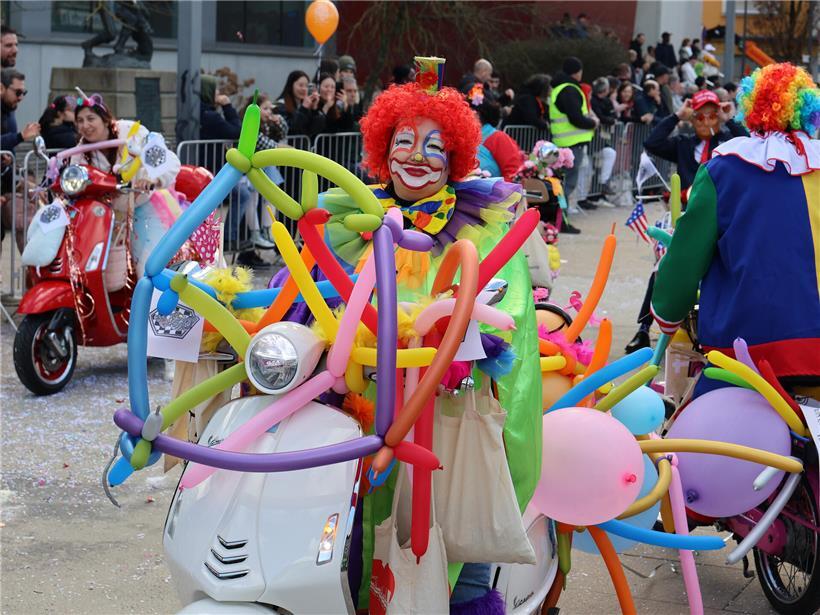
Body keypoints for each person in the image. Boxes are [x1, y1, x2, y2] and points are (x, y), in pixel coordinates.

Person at [310, 57, 541, 611]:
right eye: (404, 141)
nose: (415, 157)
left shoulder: (481, 228)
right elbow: (315, 296)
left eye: (433, 145)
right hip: (360, 420)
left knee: (448, 547)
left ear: (457, 156)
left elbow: (501, 312)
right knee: (354, 545)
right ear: (381, 150)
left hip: (447, 420)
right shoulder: (355, 222)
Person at [652, 63, 820, 393]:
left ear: (751, 108)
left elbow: (685, 260)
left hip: (746, 356)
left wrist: (667, 315)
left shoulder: (725, 168)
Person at [624, 88, 748, 353]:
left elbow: (749, 143)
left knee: (721, 270)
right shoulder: (683, 144)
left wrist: (731, 119)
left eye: (712, 116)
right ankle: (644, 328)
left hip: (719, 218)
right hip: (685, 218)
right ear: (692, 120)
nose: (706, 122)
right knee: (664, 267)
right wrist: (676, 116)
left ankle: (717, 332)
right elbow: (653, 143)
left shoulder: (728, 143)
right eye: (699, 117)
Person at [69, 93, 180, 275]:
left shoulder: (131, 132)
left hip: (145, 207)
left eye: (90, 118)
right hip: (107, 218)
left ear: (105, 120)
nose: (85, 125)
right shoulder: (80, 153)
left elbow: (166, 160)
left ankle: (152, 302)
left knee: (148, 266)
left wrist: (152, 178)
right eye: (79, 121)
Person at [549, 57, 598, 212]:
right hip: (572, 144)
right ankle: (560, 217)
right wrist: (592, 123)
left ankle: (558, 216)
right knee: (568, 184)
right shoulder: (570, 89)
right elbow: (576, 117)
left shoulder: (559, 88)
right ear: (578, 72)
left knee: (563, 183)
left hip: (563, 142)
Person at [468, 85, 522, 182]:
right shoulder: (461, 138)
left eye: (467, 112)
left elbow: (513, 172)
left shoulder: (498, 138)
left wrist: (498, 193)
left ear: (477, 115)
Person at [275, 70, 325, 138]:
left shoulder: (305, 104)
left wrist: (314, 110)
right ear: (291, 85)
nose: (304, 89)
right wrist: (303, 108)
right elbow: (292, 129)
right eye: (300, 85)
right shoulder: (281, 105)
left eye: (307, 86)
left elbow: (314, 130)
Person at [1, 69, 39, 154]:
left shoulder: (10, 109)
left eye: (23, 93)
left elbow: (9, 146)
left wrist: (9, 159)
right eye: (18, 92)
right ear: (1, 88)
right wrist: (20, 136)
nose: (21, 98)